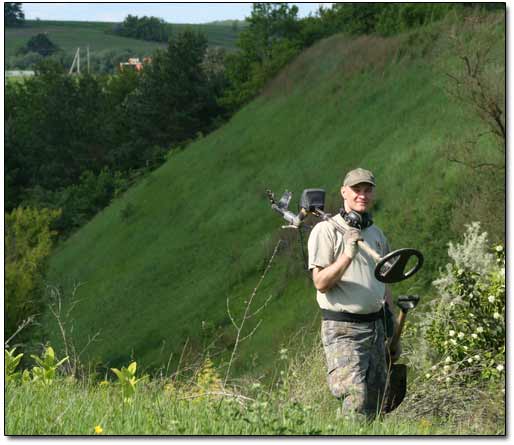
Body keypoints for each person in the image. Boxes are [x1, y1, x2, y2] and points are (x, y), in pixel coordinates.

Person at [307, 167, 399, 418]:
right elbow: (321, 283)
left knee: (377, 403)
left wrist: (391, 326)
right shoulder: (326, 231)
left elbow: (384, 284)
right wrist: (348, 254)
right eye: (356, 190)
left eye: (367, 190)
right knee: (355, 399)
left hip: (376, 327)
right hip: (344, 329)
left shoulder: (376, 234)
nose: (362, 195)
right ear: (344, 192)